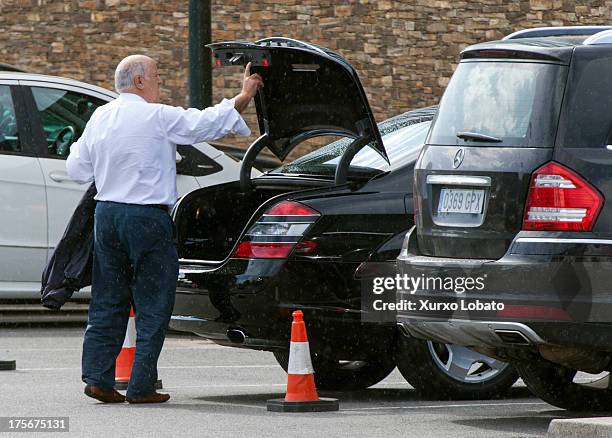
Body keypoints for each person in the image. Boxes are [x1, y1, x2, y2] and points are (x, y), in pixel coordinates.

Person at [66, 54, 263, 404]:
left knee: (108, 300)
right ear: (139, 81)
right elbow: (204, 124)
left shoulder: (100, 117)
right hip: (146, 218)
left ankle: (98, 378)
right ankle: (141, 386)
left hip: (107, 215)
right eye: (157, 76)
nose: (161, 83)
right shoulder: (156, 117)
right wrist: (244, 96)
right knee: (153, 302)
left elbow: (77, 169)